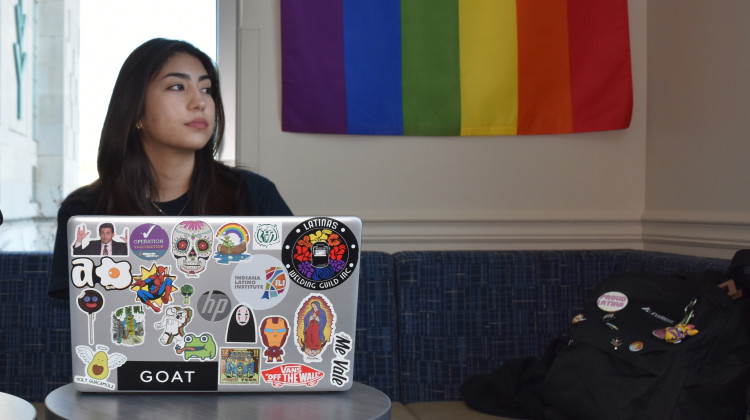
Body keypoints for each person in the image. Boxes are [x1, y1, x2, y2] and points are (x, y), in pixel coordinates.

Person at [48, 38, 292, 299]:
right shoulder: (86, 213)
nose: (200, 102)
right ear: (136, 111)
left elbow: (295, 290)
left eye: (207, 89)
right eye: (177, 86)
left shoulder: (254, 195)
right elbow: (85, 318)